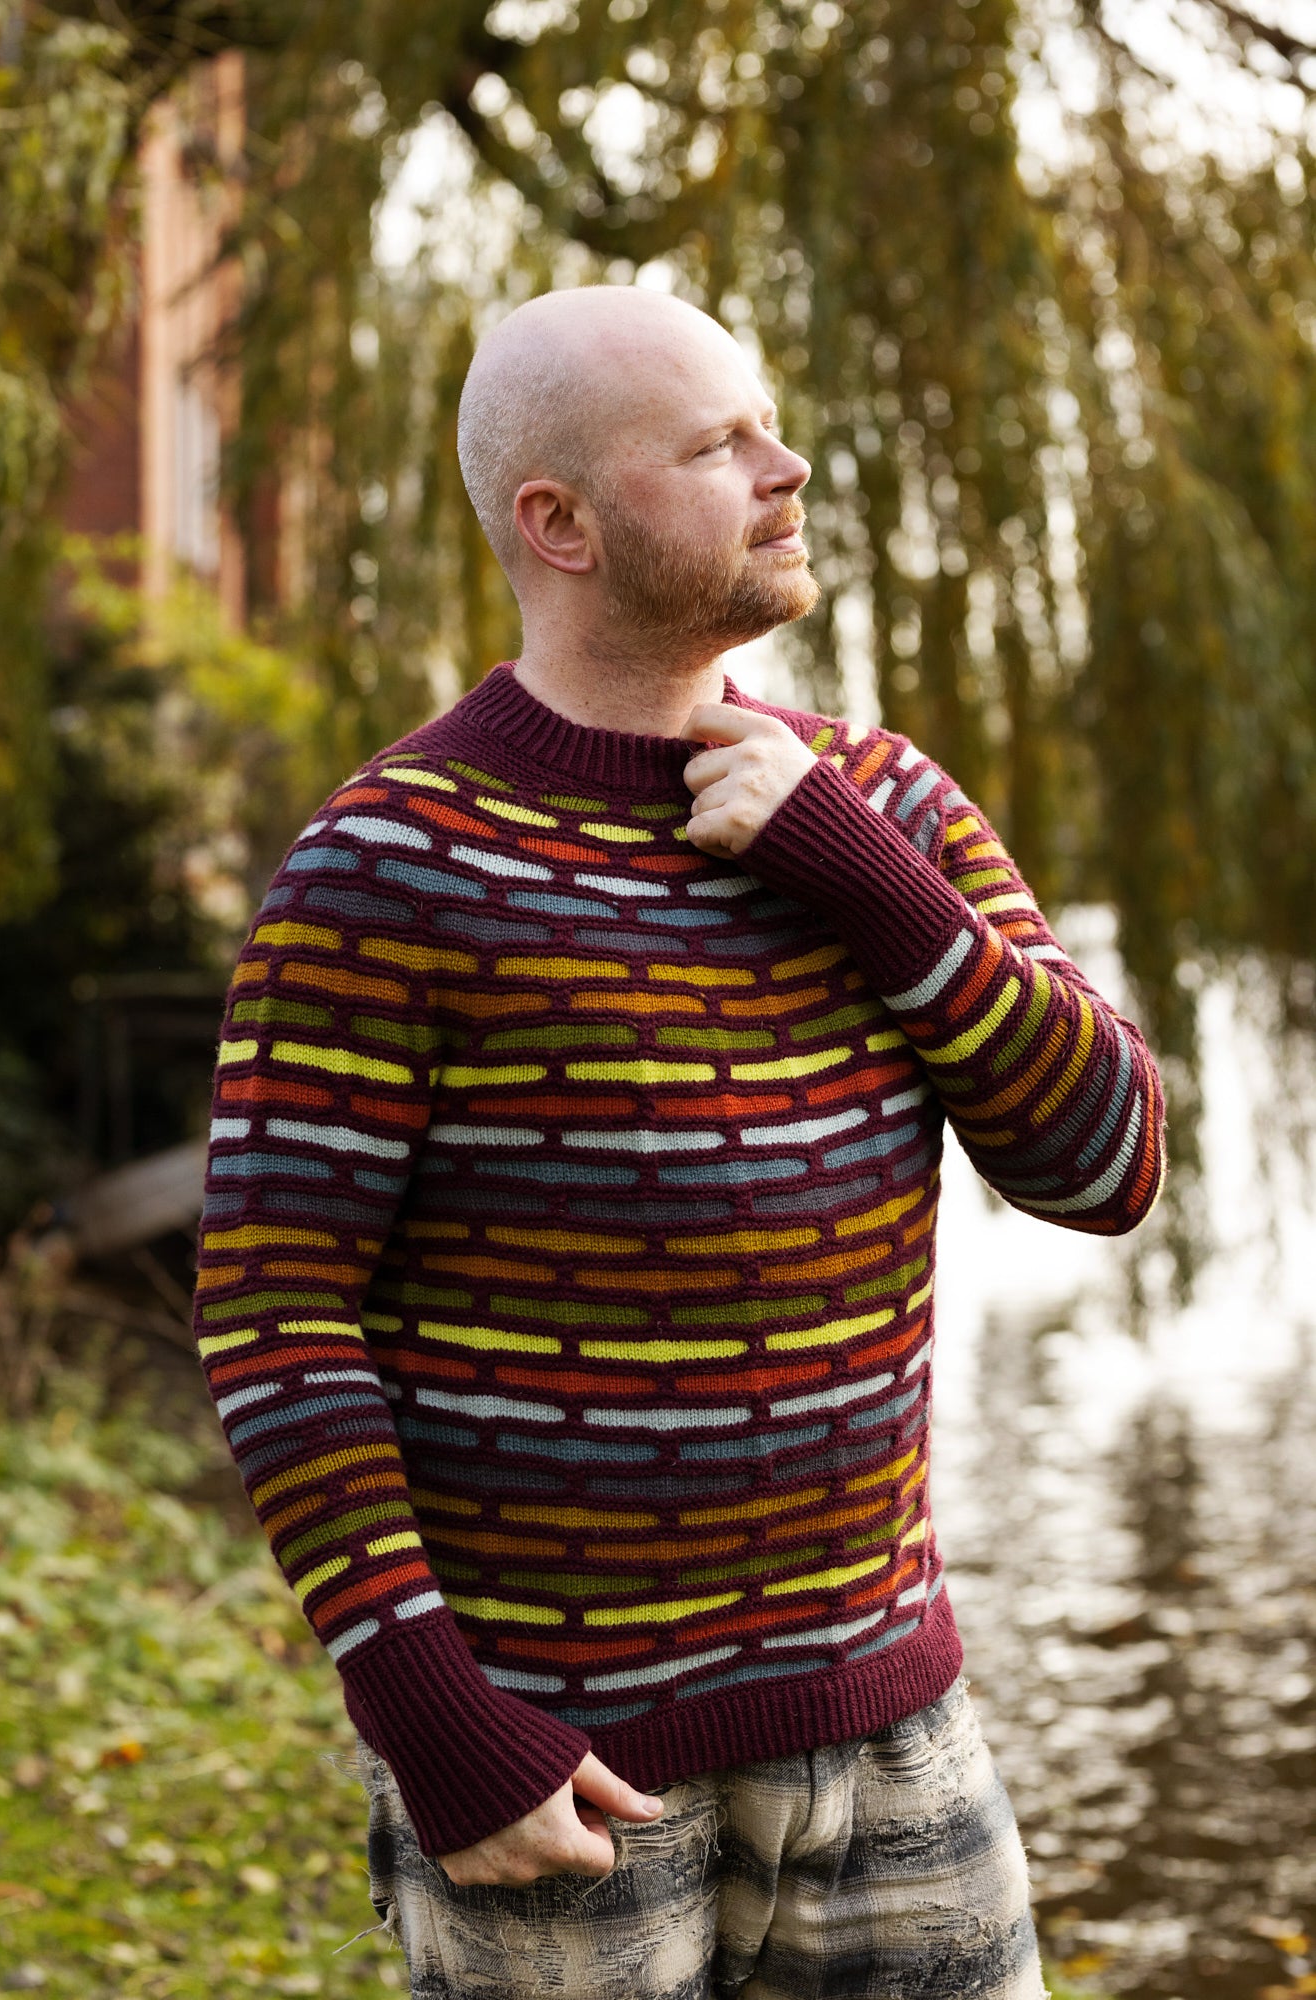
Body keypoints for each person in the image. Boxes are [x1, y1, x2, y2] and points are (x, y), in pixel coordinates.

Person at [192, 284, 1164, 1999]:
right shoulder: (386, 861)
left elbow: (1101, 1168)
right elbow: (276, 1316)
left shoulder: (886, 805)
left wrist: (855, 874)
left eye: (767, 427)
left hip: (893, 1735)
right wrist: (437, 1726)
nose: (787, 471)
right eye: (718, 446)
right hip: (561, 1774)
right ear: (558, 523)